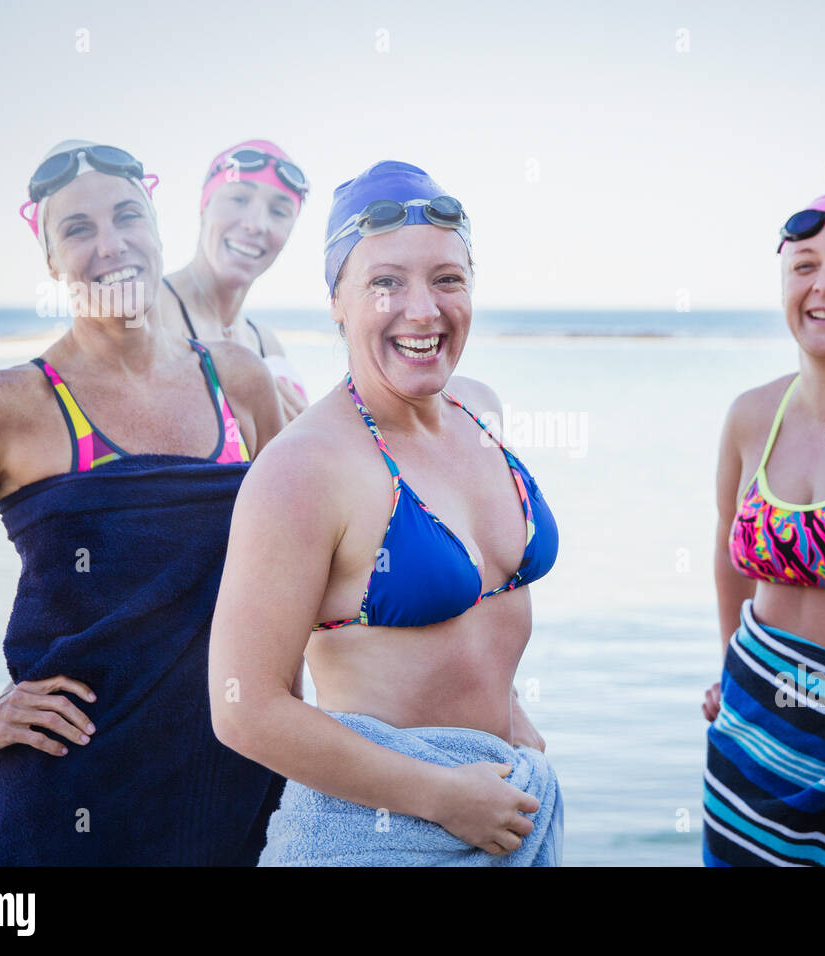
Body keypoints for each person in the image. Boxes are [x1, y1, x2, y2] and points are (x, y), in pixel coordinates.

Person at [0, 140, 286, 865]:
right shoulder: (9, 406)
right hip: (64, 807)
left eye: (128, 216)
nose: (111, 245)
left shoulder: (240, 381)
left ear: (160, 229)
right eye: (77, 230)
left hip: (237, 795)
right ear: (50, 261)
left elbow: (313, 564)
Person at [208, 160, 563, 866]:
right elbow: (242, 706)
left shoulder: (480, 411)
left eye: (447, 279)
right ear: (337, 299)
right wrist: (439, 796)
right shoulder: (305, 467)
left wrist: (510, 719)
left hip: (503, 814)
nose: (423, 310)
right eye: (385, 283)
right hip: (376, 837)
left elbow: (480, 618)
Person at [702, 194, 825, 866]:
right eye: (804, 268)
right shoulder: (751, 413)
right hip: (749, 729)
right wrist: (728, 662)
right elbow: (728, 551)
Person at [159, 139, 311, 421]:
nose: (256, 224)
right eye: (239, 199)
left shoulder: (266, 345)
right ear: (204, 205)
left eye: (278, 212)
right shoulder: (147, 312)